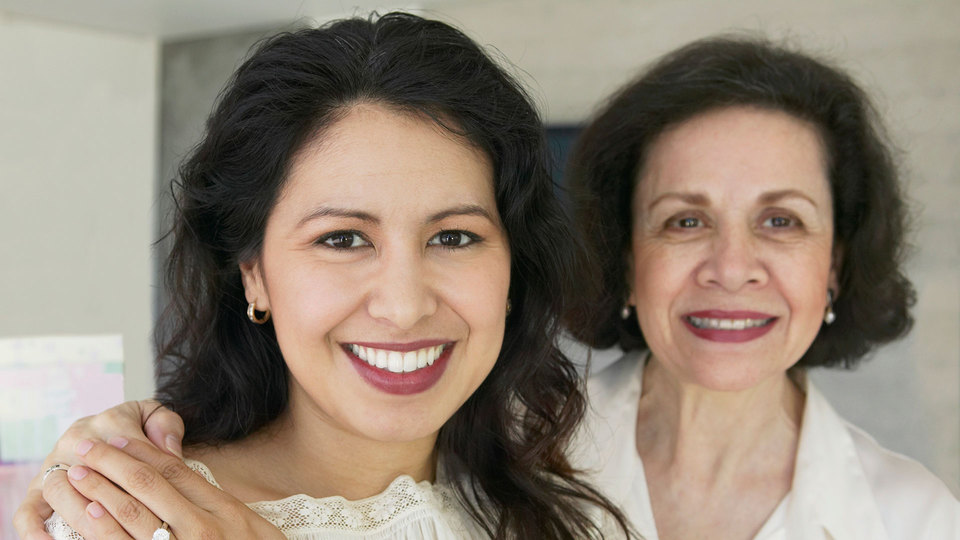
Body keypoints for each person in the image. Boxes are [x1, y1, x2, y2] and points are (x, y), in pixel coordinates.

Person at [15, 12, 629, 540]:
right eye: (342, 239)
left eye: (453, 237)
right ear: (253, 275)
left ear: (513, 267)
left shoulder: (560, 514)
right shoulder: (137, 518)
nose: (404, 304)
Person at [565, 36, 959, 539]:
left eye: (780, 220)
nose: (731, 269)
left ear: (835, 265)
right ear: (625, 260)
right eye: (685, 221)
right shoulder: (500, 461)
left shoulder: (919, 522)